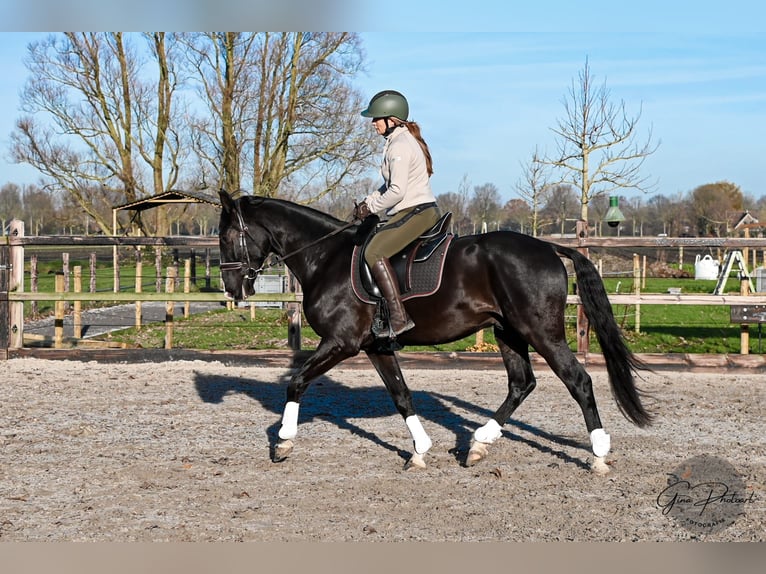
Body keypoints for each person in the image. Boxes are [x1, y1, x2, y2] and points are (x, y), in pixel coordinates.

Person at [354, 90, 441, 338]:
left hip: (416, 211)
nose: (372, 124)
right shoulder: (398, 143)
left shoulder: (400, 147)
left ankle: (399, 317)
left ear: (391, 119)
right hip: (413, 208)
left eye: (376, 119)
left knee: (374, 251)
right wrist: (368, 200)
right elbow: (388, 186)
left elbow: (397, 191)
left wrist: (372, 208)